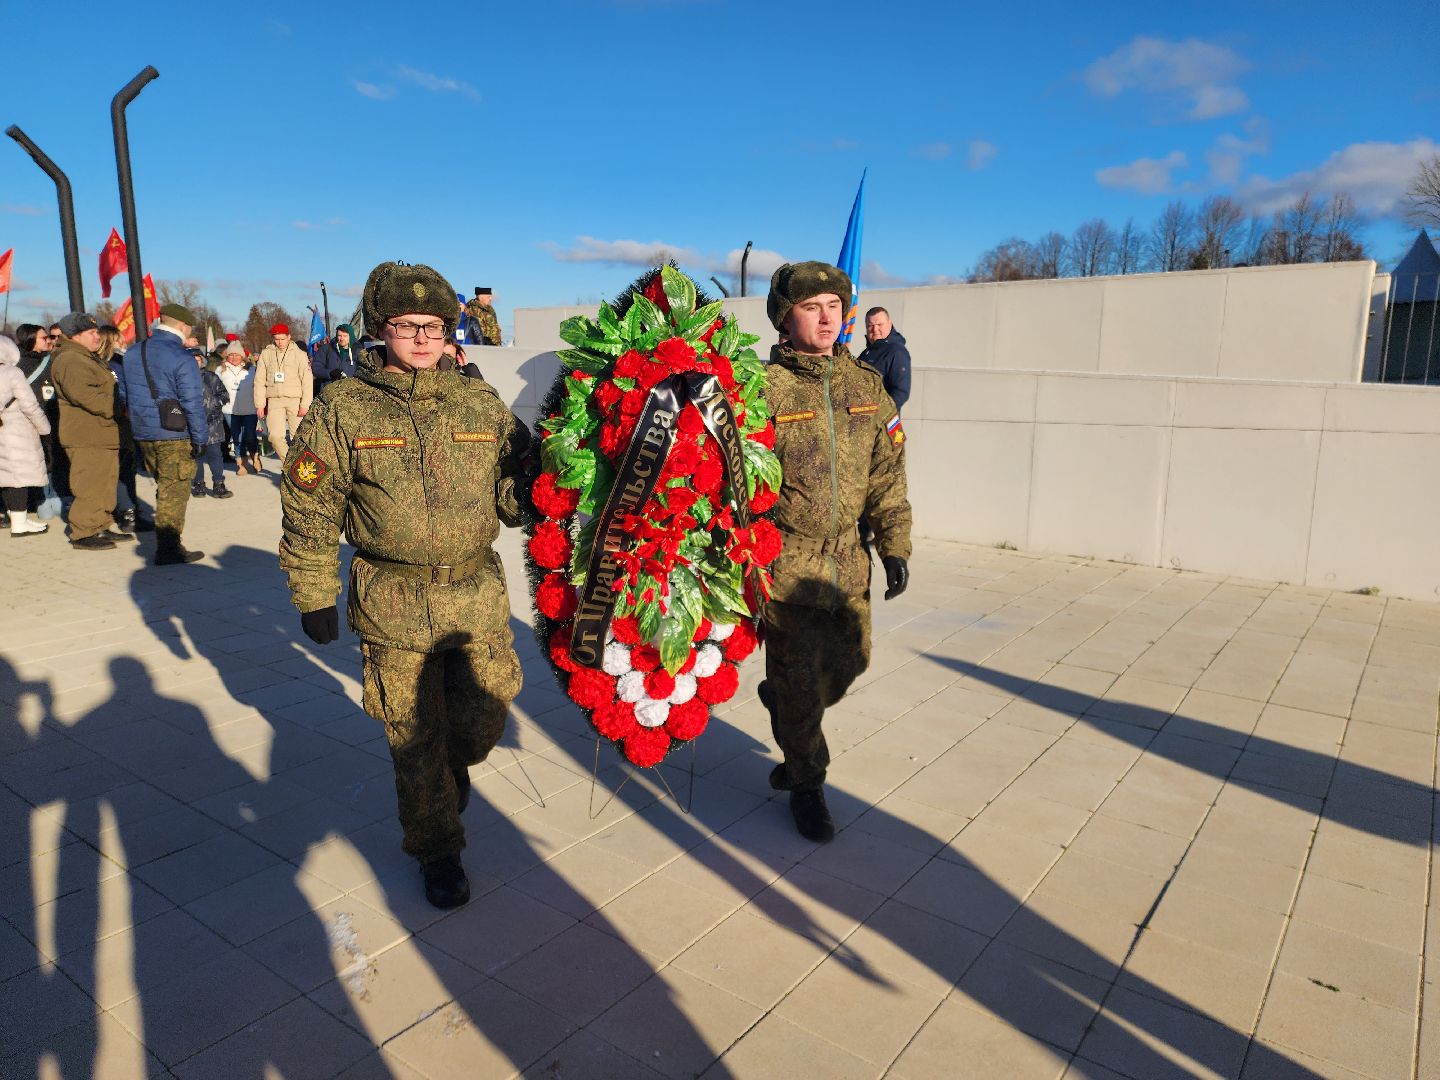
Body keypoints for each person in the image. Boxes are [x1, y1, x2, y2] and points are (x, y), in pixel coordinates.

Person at [279, 261, 531, 909]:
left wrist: (547, 477)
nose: (421, 338)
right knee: (412, 736)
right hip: (392, 599)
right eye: (405, 325)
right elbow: (310, 504)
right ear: (379, 329)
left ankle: (452, 773)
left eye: (435, 326)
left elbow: (512, 496)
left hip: (474, 595)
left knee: (482, 718)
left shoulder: (480, 403)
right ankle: (437, 848)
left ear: (452, 332)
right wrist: (313, 592)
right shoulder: (344, 407)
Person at [760, 261, 912, 843]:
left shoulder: (866, 386)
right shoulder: (762, 389)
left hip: (849, 560)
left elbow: (887, 472)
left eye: (834, 306)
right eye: (811, 307)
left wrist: (894, 541)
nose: (827, 319)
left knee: (848, 665)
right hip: (788, 564)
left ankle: (786, 704)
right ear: (785, 316)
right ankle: (806, 782)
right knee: (800, 688)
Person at [119, 303, 209, 565]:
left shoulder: (134, 352)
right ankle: (169, 548)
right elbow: (192, 402)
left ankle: (167, 540)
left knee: (163, 484)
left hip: (143, 430)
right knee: (175, 490)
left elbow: (125, 392)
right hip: (174, 433)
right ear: (183, 326)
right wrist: (200, 438)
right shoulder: (182, 357)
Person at [51, 313, 131, 551]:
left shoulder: (86, 357)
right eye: (92, 333)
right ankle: (83, 532)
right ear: (75, 336)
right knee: (89, 484)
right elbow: (86, 395)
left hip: (100, 432)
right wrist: (119, 408)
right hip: (86, 434)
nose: (98, 336)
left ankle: (100, 524)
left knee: (104, 483)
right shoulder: (70, 359)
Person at [99, 325, 150, 533]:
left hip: (122, 421)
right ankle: (128, 512)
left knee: (125, 468)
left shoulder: (112, 362)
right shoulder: (112, 365)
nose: (124, 342)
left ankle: (129, 509)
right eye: (120, 338)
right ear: (111, 340)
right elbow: (123, 393)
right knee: (122, 469)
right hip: (120, 421)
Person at [0, 334, 51, 536]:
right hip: (16, 430)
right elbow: (30, 405)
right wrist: (45, 428)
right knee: (19, 477)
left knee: (6, 477)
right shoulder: (12, 372)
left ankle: (17, 518)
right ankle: (19, 523)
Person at [253, 323, 313, 462]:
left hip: (295, 400)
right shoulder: (266, 354)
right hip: (274, 400)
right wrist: (260, 404)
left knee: (299, 437)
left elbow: (307, 381)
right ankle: (290, 464)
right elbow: (259, 380)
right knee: (274, 436)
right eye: (276, 339)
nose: (279, 342)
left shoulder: (299, 354)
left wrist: (305, 404)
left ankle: (302, 468)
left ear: (289, 337)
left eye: (282, 339)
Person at [191, 348, 233, 499]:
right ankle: (198, 484)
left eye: (197, 360)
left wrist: (216, 403)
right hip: (192, 425)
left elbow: (224, 394)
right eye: (191, 361)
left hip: (212, 423)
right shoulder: (183, 378)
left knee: (215, 454)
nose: (195, 363)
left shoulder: (211, 377)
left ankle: (218, 484)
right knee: (196, 456)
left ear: (202, 361)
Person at [858, 306, 912, 413]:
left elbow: (900, 392)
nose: (875, 329)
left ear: (889, 324)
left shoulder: (896, 352)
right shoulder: (865, 354)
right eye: (870, 325)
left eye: (879, 324)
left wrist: (879, 414)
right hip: (862, 421)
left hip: (882, 424)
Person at [217, 342, 259, 474]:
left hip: (250, 409)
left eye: (237, 355)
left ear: (242, 356)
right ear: (227, 356)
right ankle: (241, 464)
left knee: (250, 436)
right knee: (237, 437)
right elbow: (215, 389)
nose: (234, 358)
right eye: (231, 355)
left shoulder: (252, 369)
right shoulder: (220, 370)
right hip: (230, 410)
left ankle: (255, 456)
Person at [311, 322, 362, 387]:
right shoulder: (326, 349)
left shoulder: (359, 351)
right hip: (329, 390)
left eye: (345, 336)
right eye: (339, 336)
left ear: (351, 336)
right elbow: (316, 368)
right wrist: (330, 373)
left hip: (351, 391)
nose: (342, 339)